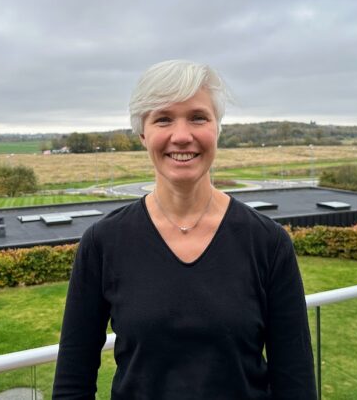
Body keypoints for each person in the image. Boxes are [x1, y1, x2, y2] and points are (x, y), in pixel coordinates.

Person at [52, 60, 316, 399]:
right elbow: (72, 383)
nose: (181, 136)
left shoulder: (268, 243)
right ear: (143, 134)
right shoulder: (103, 243)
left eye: (198, 117)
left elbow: (296, 384)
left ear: (217, 128)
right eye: (163, 119)